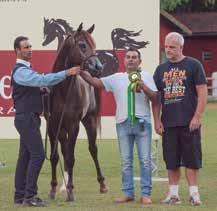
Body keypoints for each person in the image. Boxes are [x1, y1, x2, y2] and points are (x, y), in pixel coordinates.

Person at [80, 48, 158, 205]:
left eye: (134, 57)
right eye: (128, 57)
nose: (131, 59)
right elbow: (96, 83)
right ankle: (128, 193)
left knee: (145, 160)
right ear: (124, 60)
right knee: (126, 161)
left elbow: (155, 97)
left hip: (142, 123)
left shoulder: (146, 76)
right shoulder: (116, 78)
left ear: (139, 61)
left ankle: (145, 194)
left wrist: (143, 86)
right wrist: (82, 71)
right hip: (123, 123)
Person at [11, 36, 80, 207]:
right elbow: (41, 80)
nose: (29, 49)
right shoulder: (20, 71)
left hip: (28, 118)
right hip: (27, 118)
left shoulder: (25, 70)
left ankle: (20, 195)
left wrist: (40, 92)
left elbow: (36, 85)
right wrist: (66, 73)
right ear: (17, 51)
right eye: (25, 47)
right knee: (38, 155)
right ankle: (30, 196)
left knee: (25, 156)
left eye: (30, 46)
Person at [153, 32, 207, 206]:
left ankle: (194, 194)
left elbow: (202, 92)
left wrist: (197, 116)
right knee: (171, 160)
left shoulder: (193, 65)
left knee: (192, 159)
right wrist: (157, 120)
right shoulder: (160, 70)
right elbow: (156, 98)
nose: (168, 50)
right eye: (166, 47)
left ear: (181, 47)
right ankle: (174, 195)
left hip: (189, 122)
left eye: (172, 47)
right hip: (168, 123)